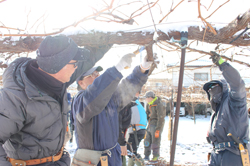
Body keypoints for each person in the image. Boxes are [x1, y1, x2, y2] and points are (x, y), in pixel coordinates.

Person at [0, 35, 112, 166]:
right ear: (58, 65)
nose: (77, 67)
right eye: (74, 63)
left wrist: (110, 38)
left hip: (58, 161)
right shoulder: (15, 98)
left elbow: (89, 58)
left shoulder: (57, 80)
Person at [71, 54, 152, 166]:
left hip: (112, 159)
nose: (98, 76)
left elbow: (126, 88)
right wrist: (117, 68)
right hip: (93, 162)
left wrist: (142, 69)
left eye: (98, 74)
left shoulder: (109, 99)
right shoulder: (80, 101)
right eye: (93, 75)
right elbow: (93, 95)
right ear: (81, 83)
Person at [203, 51, 250, 166]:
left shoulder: (234, 103)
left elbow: (237, 85)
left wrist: (222, 64)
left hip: (234, 153)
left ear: (223, 89)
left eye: (215, 87)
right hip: (216, 154)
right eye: (210, 89)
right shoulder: (216, 111)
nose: (212, 90)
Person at [126, 91, 148, 166]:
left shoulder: (131, 103)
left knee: (130, 151)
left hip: (136, 130)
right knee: (132, 151)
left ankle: (141, 164)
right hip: (140, 129)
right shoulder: (137, 103)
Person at [143, 91, 166, 161]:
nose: (145, 99)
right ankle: (146, 155)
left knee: (155, 141)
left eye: (146, 98)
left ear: (150, 97)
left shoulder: (159, 104)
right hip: (150, 124)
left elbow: (161, 118)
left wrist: (158, 129)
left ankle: (155, 156)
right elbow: (147, 114)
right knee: (147, 140)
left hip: (156, 125)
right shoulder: (148, 104)